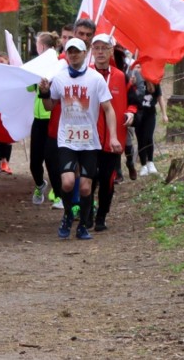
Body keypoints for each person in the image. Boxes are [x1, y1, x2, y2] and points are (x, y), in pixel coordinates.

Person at [39, 37, 121, 240]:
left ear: (85, 54)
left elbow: (108, 109)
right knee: (67, 183)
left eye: (77, 51)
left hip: (89, 141)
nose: (73, 55)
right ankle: (68, 214)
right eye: (70, 51)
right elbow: (50, 107)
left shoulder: (95, 79)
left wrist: (113, 137)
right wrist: (44, 93)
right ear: (66, 54)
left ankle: (83, 225)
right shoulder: (59, 78)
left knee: (85, 187)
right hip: (66, 138)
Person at [87, 34, 136, 231]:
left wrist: (131, 112)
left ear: (110, 51)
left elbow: (134, 101)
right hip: (88, 138)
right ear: (91, 51)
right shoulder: (85, 74)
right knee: (89, 178)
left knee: (108, 179)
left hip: (113, 139)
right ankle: (87, 214)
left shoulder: (121, 77)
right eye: (96, 48)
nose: (100, 52)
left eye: (104, 48)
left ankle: (101, 216)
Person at [29, 31, 60, 204]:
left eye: (37, 44)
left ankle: (58, 194)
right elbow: (29, 89)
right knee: (34, 163)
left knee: (51, 159)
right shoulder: (36, 65)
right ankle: (40, 185)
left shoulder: (58, 64)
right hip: (38, 120)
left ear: (41, 46)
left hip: (52, 118)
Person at [136, 69, 168, 176]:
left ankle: (150, 162)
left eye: (142, 66)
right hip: (138, 114)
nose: (140, 69)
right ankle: (143, 165)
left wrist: (164, 114)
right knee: (140, 139)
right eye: (138, 66)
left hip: (150, 114)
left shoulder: (154, 81)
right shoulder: (134, 80)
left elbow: (160, 98)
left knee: (148, 137)